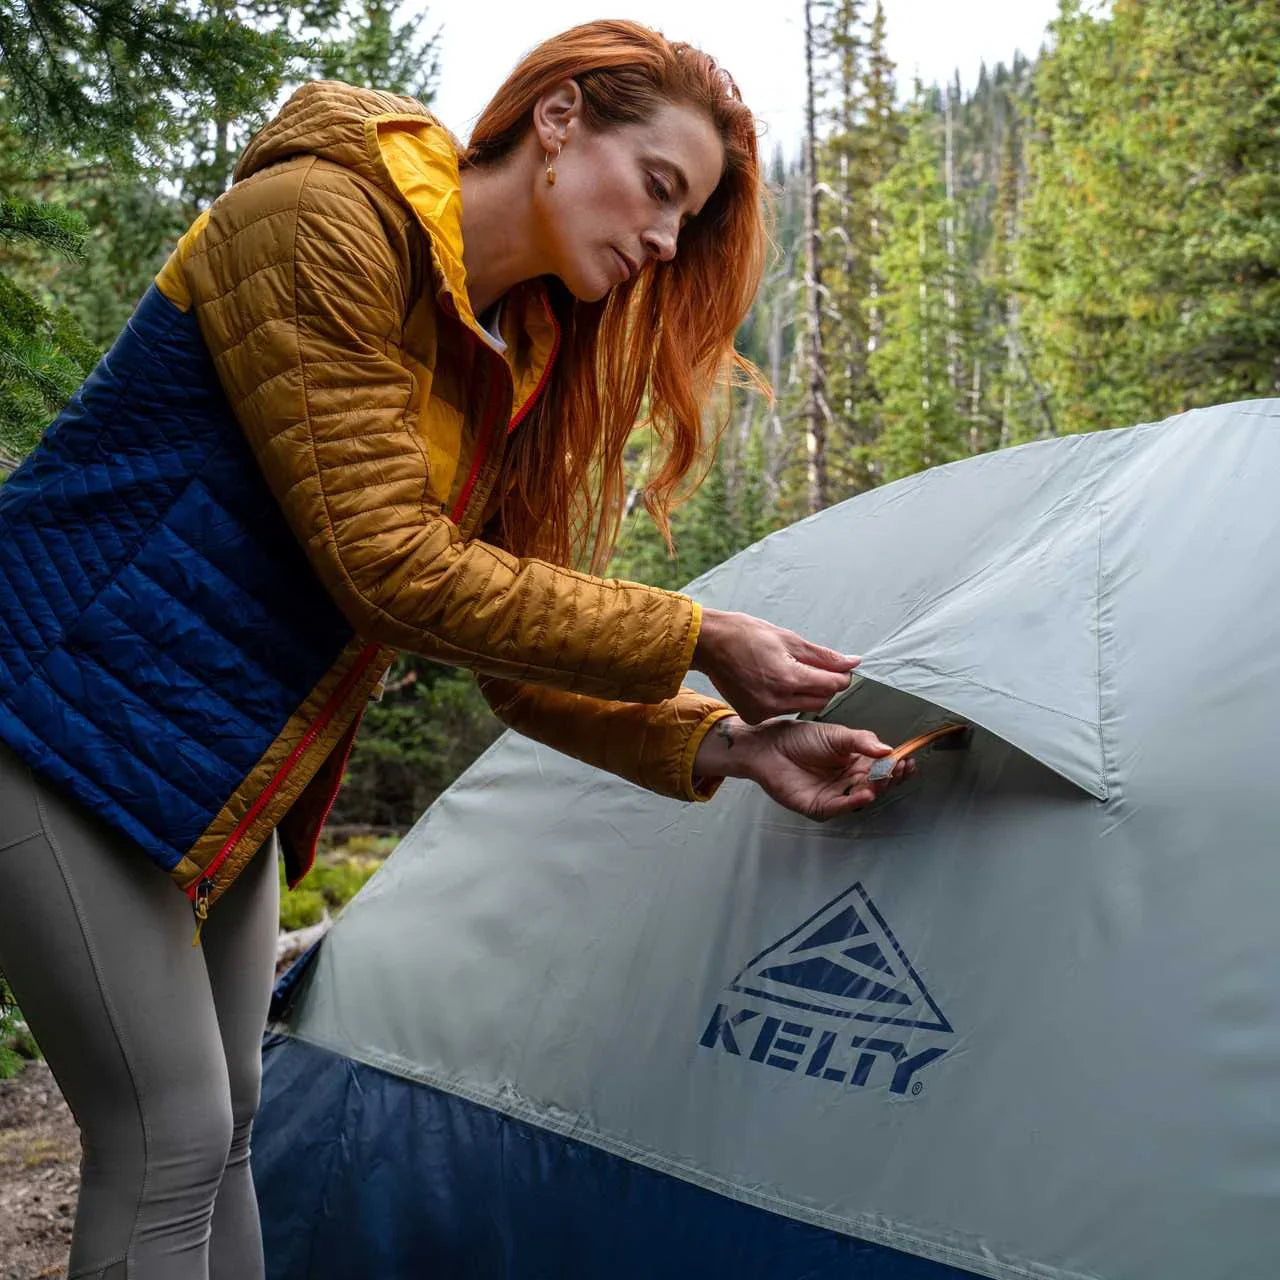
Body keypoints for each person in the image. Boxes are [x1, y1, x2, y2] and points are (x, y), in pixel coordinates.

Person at [0, 20, 910, 1279]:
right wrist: (698, 633)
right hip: (46, 706)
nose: (659, 242)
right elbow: (387, 567)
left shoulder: (509, 348)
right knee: (168, 1132)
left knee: (229, 1131)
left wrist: (732, 742)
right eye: (657, 188)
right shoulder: (322, 217)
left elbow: (515, 652)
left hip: (214, 764)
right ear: (557, 119)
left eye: (682, 222)